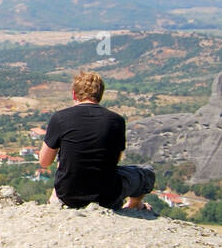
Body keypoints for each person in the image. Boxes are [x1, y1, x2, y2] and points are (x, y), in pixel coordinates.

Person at [38, 71, 155, 211]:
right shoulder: (116, 121)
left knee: (62, 163)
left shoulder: (60, 118)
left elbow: (44, 161)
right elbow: (115, 160)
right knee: (146, 173)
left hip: (69, 195)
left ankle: (56, 199)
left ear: (74, 94)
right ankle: (134, 206)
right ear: (100, 95)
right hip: (106, 196)